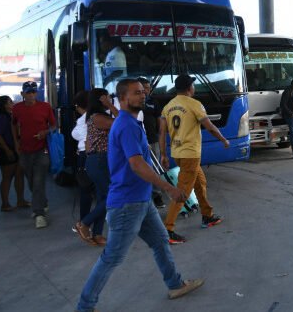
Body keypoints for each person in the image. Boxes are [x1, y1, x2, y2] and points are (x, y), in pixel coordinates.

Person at [76, 79, 204, 311]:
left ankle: (175, 284)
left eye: (143, 92)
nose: (142, 95)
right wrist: (169, 188)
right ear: (123, 98)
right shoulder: (125, 125)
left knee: (160, 241)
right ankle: (85, 306)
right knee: (112, 257)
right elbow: (136, 164)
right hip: (127, 204)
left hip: (141, 200)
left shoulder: (129, 122)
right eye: (136, 93)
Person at [160, 74, 229, 244]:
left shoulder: (168, 107)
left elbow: (162, 133)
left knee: (200, 182)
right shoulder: (194, 104)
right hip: (190, 153)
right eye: (193, 84)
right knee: (182, 191)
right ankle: (167, 229)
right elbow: (210, 126)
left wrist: (163, 154)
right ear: (189, 87)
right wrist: (223, 139)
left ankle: (207, 216)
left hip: (178, 153)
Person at [74, 88, 118, 246]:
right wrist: (111, 106)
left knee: (102, 198)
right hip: (99, 160)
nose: (111, 99)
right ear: (100, 100)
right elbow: (122, 123)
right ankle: (84, 223)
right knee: (113, 196)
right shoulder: (98, 117)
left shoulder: (96, 117)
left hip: (101, 160)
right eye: (107, 97)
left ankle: (97, 234)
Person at [11, 81, 56, 229]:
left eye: (33, 92)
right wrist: (16, 143)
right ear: (22, 94)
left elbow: (54, 125)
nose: (31, 95)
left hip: (42, 150)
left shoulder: (45, 107)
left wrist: (46, 132)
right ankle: (42, 202)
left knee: (38, 180)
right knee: (31, 180)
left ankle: (39, 214)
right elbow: (14, 124)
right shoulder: (17, 109)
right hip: (24, 150)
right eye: (28, 92)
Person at [0, 95, 28, 212]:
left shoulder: (8, 116)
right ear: (4, 105)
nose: (13, 103)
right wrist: (7, 150)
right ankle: (5, 204)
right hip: (6, 151)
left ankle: (20, 200)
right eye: (10, 102)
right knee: (7, 177)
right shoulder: (2, 117)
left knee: (18, 175)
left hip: (13, 149)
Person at [138, 77, 165, 209]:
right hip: (137, 142)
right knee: (139, 169)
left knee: (155, 168)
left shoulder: (153, 102)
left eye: (149, 88)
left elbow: (159, 121)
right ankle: (143, 196)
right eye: (145, 88)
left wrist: (160, 137)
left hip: (152, 141)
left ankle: (157, 195)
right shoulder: (133, 103)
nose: (148, 90)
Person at [71, 91, 93, 231]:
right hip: (95, 154)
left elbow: (79, 136)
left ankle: (84, 222)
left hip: (86, 155)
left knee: (86, 190)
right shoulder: (101, 116)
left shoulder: (85, 120)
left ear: (78, 106)